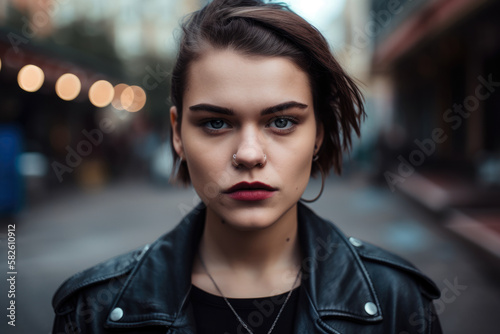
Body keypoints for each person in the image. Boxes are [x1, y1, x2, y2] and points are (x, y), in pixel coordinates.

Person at [52, 0, 442, 333]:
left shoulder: (396, 300)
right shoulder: (93, 312)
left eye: (282, 121)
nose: (250, 154)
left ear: (318, 135)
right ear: (177, 134)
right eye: (216, 123)